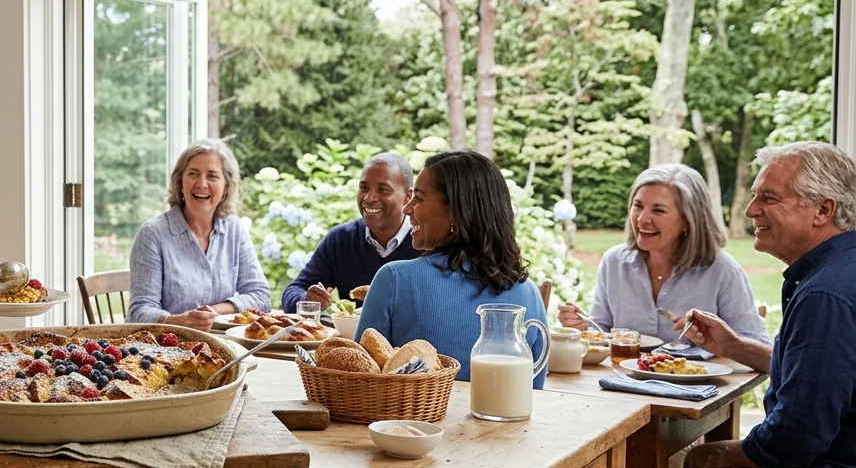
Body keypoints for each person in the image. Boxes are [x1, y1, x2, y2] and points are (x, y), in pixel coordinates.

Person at [665, 142, 856, 468]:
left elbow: (795, 438)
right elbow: (825, 376)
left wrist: (733, 454)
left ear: (822, 210)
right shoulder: (839, 271)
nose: (752, 209)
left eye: (769, 198)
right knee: (697, 460)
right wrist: (734, 347)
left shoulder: (827, 293)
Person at [357, 150, 548, 386]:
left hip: (415, 423)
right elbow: (535, 389)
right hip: (504, 422)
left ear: (456, 212)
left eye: (419, 198)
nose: (407, 209)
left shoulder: (395, 279)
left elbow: (358, 380)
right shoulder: (528, 292)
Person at [557, 164, 767, 344]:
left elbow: (758, 347)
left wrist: (719, 343)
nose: (642, 219)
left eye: (658, 210)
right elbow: (602, 331)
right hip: (622, 385)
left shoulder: (721, 270)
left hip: (700, 388)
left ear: (688, 220)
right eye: (638, 206)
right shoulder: (614, 263)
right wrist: (584, 326)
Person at [127, 138, 271, 331]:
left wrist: (214, 312)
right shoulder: (153, 234)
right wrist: (181, 321)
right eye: (193, 174)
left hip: (224, 344)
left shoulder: (234, 229)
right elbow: (139, 312)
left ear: (226, 187)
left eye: (212, 176)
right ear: (180, 183)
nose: (202, 184)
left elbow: (260, 296)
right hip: (166, 349)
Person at [280, 152, 423, 313]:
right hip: (351, 337)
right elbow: (292, 292)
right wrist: (307, 300)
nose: (369, 198)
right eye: (364, 188)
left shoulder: (426, 242)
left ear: (408, 196)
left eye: (383, 190)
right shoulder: (341, 239)